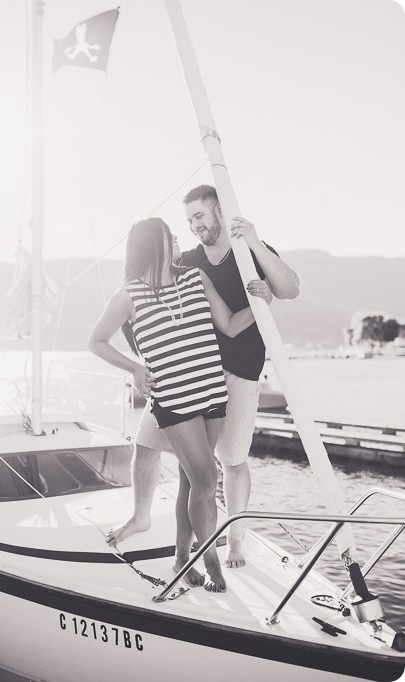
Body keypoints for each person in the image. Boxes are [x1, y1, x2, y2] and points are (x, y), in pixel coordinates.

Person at [106, 186, 300, 570]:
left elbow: (289, 289)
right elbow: (140, 309)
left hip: (240, 373)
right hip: (188, 375)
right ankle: (143, 517)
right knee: (146, 443)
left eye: (200, 216)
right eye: (189, 220)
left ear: (221, 213)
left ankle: (234, 540)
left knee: (231, 461)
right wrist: (141, 363)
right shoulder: (188, 261)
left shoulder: (249, 254)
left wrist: (257, 246)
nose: (194, 226)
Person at [88, 217, 264, 592]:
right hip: (175, 400)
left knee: (190, 482)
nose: (178, 240)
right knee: (207, 478)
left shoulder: (194, 278)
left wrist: (262, 303)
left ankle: (182, 559)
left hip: (213, 392)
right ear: (154, 245)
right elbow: (97, 341)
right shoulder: (128, 295)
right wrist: (135, 368)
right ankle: (211, 562)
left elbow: (230, 325)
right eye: (171, 237)